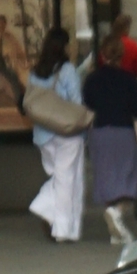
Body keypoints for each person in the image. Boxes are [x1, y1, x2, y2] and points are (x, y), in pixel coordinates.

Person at [83, 40, 137, 244]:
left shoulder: (92, 79)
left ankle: (116, 232)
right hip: (124, 132)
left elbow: (88, 102)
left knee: (107, 178)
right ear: (122, 56)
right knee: (133, 177)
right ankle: (116, 212)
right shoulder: (129, 79)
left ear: (102, 55)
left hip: (100, 132)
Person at [26, 26, 87, 244]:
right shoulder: (68, 70)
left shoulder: (35, 72)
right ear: (65, 46)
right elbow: (76, 102)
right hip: (67, 131)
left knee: (60, 177)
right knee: (67, 180)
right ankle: (60, 226)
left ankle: (64, 226)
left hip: (43, 133)